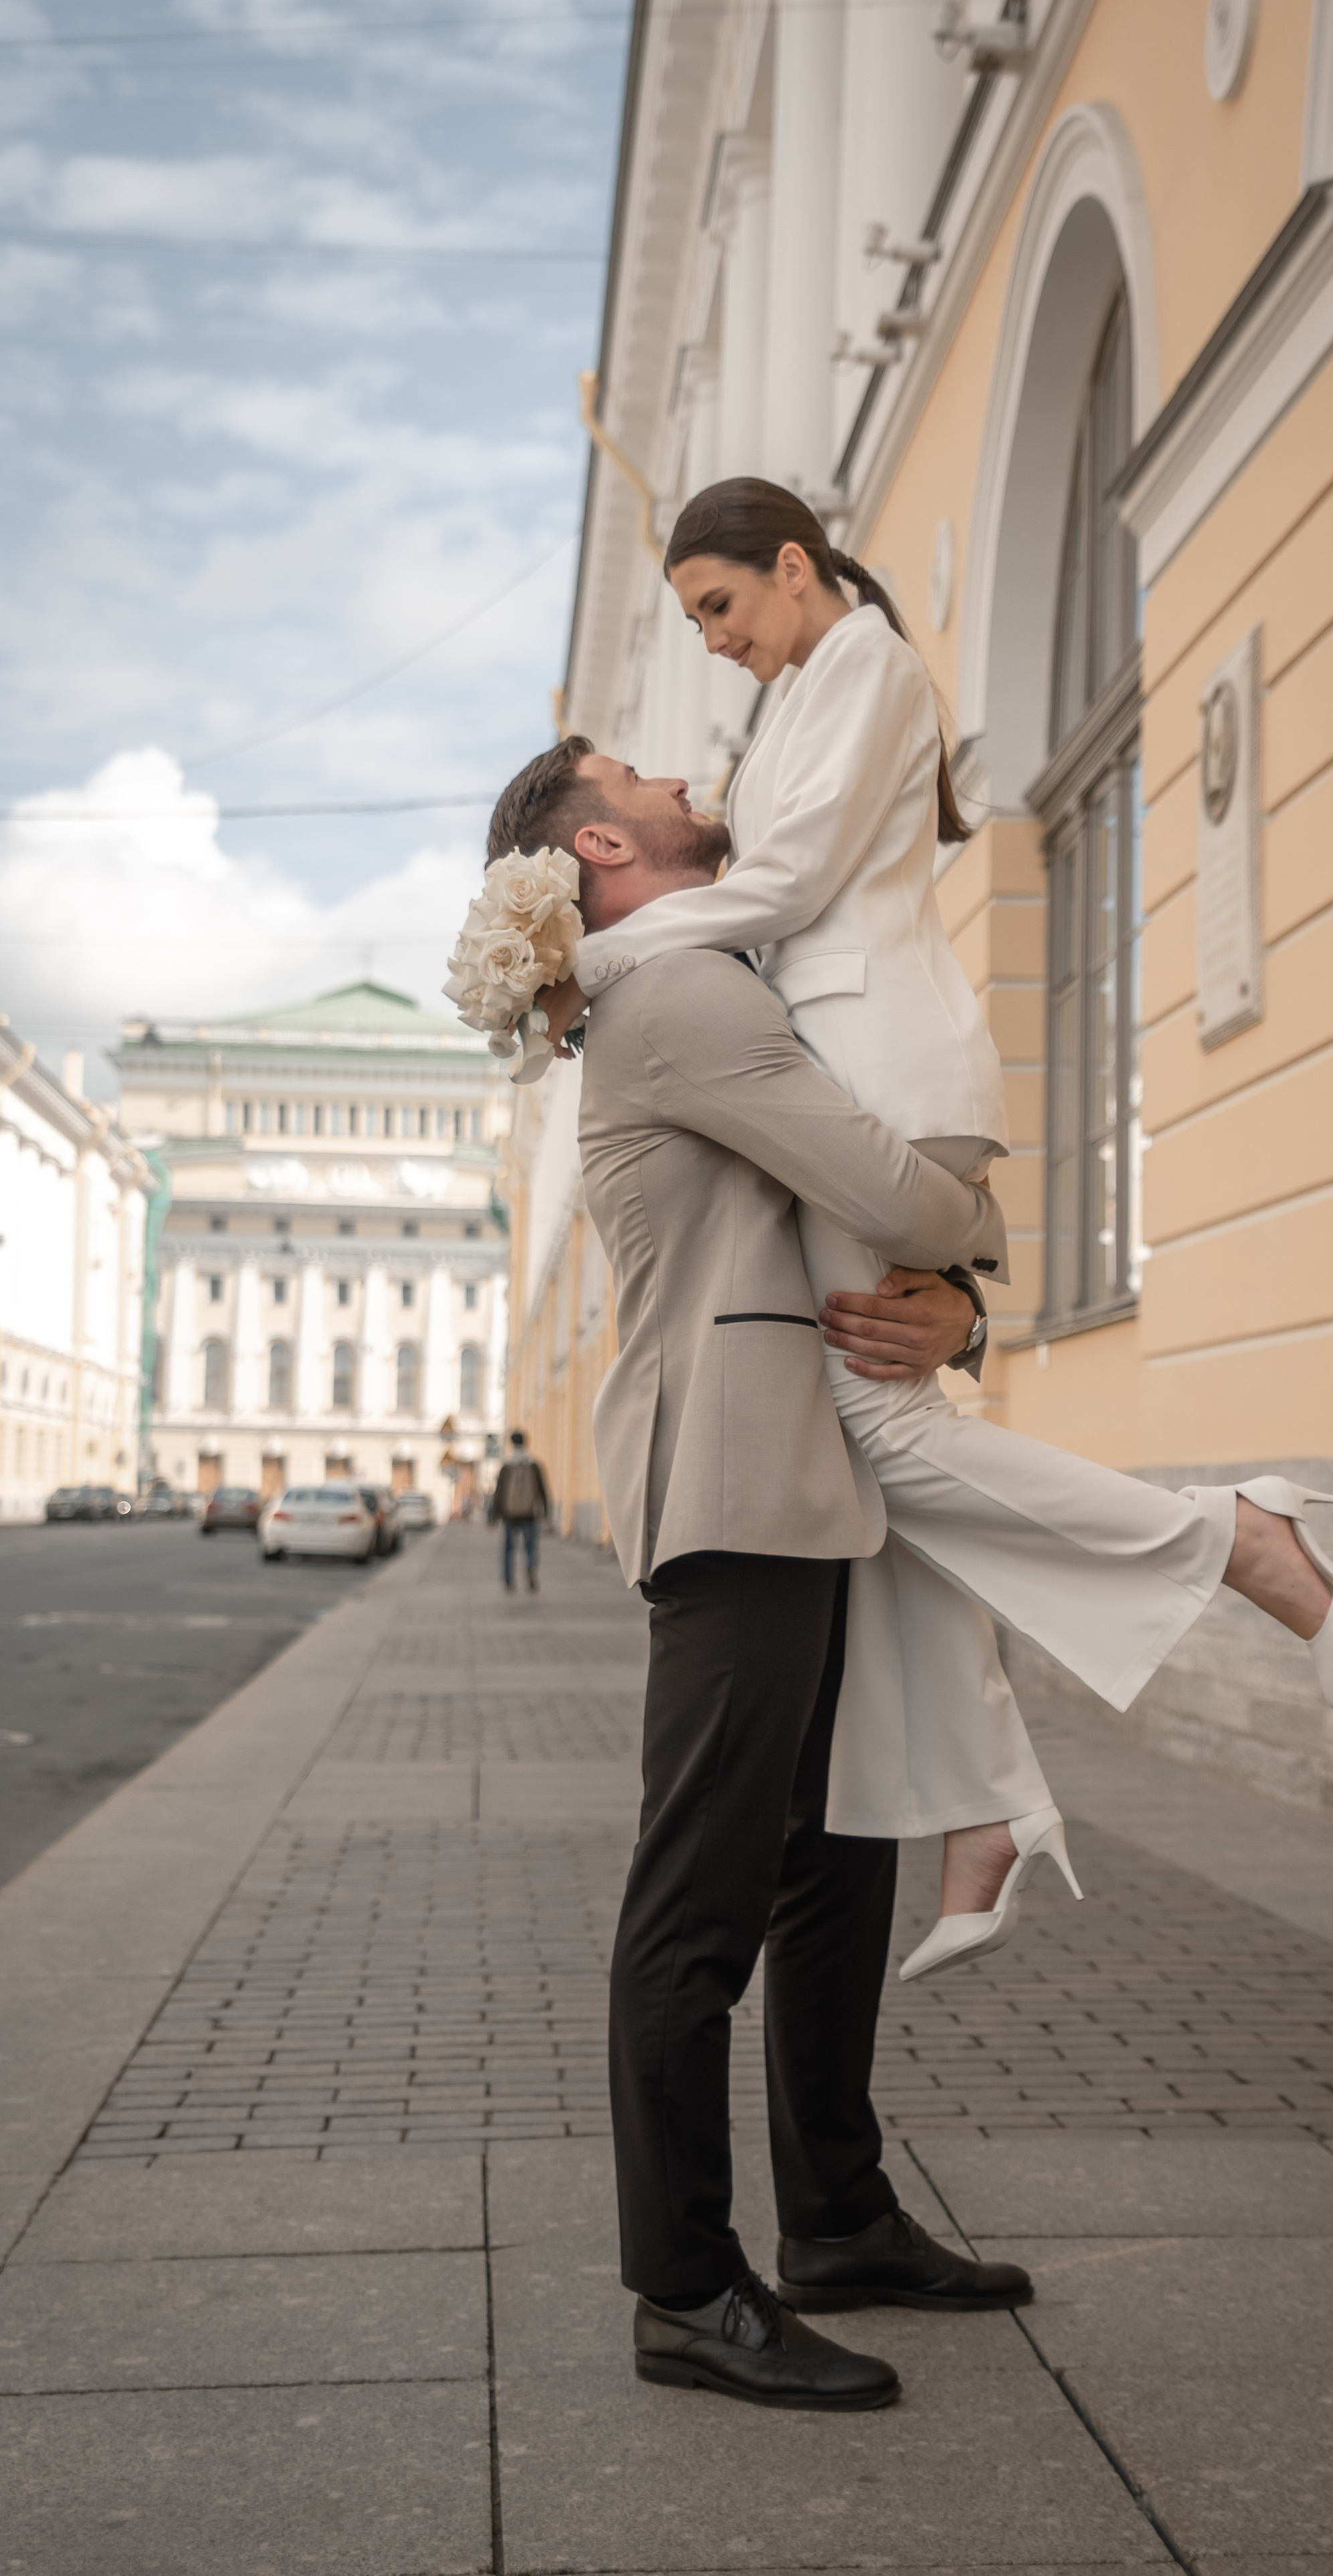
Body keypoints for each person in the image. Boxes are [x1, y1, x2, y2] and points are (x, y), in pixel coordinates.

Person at [492, 479, 1333, 1979]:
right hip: (859, 1058)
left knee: (884, 1441)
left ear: (789, 563)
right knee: (884, 1467)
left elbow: (789, 886)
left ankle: (1231, 1536)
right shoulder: (810, 693)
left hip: (879, 1060)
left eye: (716, 606)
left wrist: (592, 951)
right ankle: (984, 1805)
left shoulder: (865, 669)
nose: (707, 646)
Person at [530, 812, 1032, 2409]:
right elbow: (876, 1171)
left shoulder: (712, 974)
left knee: (833, 1860)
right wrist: (972, 1251)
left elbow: (846, 1206)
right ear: (597, 836)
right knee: (700, 1892)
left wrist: (946, 1301)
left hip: (802, 1475)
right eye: (640, 774)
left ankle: (837, 2215)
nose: (689, 778)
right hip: (737, 1482)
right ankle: (681, 2284)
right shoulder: (678, 990)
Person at [492, 1429, 549, 1592]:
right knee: (530, 1547)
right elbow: (542, 1489)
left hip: (510, 1515)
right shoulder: (533, 1464)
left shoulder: (507, 1465)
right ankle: (531, 1567)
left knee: (508, 1550)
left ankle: (509, 1582)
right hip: (529, 1514)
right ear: (525, 1442)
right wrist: (545, 1510)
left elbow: (500, 1492)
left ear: (512, 1443)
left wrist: (494, 1515)